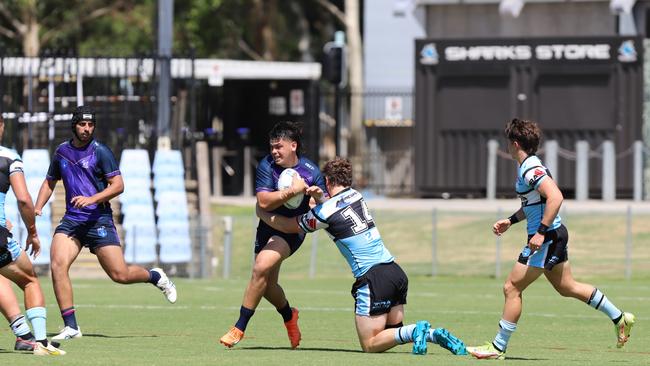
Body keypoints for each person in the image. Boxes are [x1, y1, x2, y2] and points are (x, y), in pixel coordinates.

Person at [255, 157, 467, 355]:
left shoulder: (325, 212)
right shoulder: (356, 195)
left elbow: (289, 226)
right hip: (394, 272)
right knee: (392, 333)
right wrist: (319, 197)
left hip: (372, 278)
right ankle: (430, 334)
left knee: (370, 344)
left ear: (327, 180)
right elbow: (332, 205)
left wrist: (262, 212)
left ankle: (416, 331)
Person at [466, 118, 635, 360]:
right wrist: (511, 220)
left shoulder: (530, 168)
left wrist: (540, 232)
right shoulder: (528, 165)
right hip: (552, 236)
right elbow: (535, 204)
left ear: (515, 144)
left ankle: (498, 347)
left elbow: (555, 197)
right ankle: (620, 318)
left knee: (511, 287)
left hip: (547, 238)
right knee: (567, 287)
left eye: (508, 142)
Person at [33, 105, 177, 340]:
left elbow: (118, 185)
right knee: (58, 265)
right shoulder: (61, 152)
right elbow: (49, 182)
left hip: (99, 219)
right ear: (74, 125)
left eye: (90, 125)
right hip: (72, 221)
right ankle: (71, 326)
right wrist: (38, 206)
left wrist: (91, 199)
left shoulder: (101, 151)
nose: (87, 129)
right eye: (82, 124)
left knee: (120, 275)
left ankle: (155, 277)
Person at [220, 121, 327, 349]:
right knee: (267, 285)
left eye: (279, 147)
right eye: (272, 147)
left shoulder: (311, 171)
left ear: (293, 146)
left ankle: (239, 327)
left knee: (260, 267)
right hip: (268, 226)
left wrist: (318, 198)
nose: (274, 152)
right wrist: (292, 191)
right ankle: (289, 315)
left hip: (291, 231)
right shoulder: (266, 166)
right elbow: (263, 201)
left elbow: (327, 207)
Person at [0, 116, 65, 355]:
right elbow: (24, 199)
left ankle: (24, 336)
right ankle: (40, 341)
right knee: (29, 280)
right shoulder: (8, 157)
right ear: (1, 126)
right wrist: (33, 232)